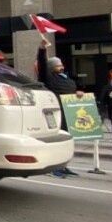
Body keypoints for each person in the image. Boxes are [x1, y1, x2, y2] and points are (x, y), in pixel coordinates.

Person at [36, 38, 84, 177]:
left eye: (61, 65)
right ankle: (53, 168)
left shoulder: (67, 79)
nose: (61, 67)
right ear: (51, 67)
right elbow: (41, 64)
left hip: (69, 114)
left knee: (66, 142)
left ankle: (64, 165)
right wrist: (42, 49)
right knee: (57, 142)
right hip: (57, 115)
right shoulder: (48, 77)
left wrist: (78, 93)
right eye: (57, 65)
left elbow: (71, 93)